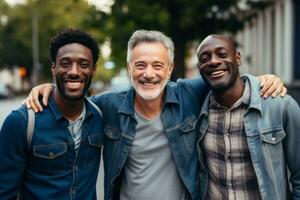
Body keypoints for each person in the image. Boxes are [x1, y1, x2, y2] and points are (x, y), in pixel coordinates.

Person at [25, 30, 286, 200]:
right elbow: (72, 97)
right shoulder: (108, 106)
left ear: (171, 68)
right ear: (129, 68)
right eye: (140, 65)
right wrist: (48, 86)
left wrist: (259, 80)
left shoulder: (188, 94)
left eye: (157, 65)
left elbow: (227, 77)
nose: (148, 74)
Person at [0, 29, 104, 199]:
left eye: (83, 65)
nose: (74, 72)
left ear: (94, 69)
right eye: (65, 63)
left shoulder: (101, 114)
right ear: (53, 69)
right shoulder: (23, 122)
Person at [196, 34, 300, 200]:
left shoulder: (280, 106)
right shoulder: (197, 113)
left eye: (222, 54)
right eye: (205, 58)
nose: (214, 61)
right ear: (200, 67)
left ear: (237, 58)